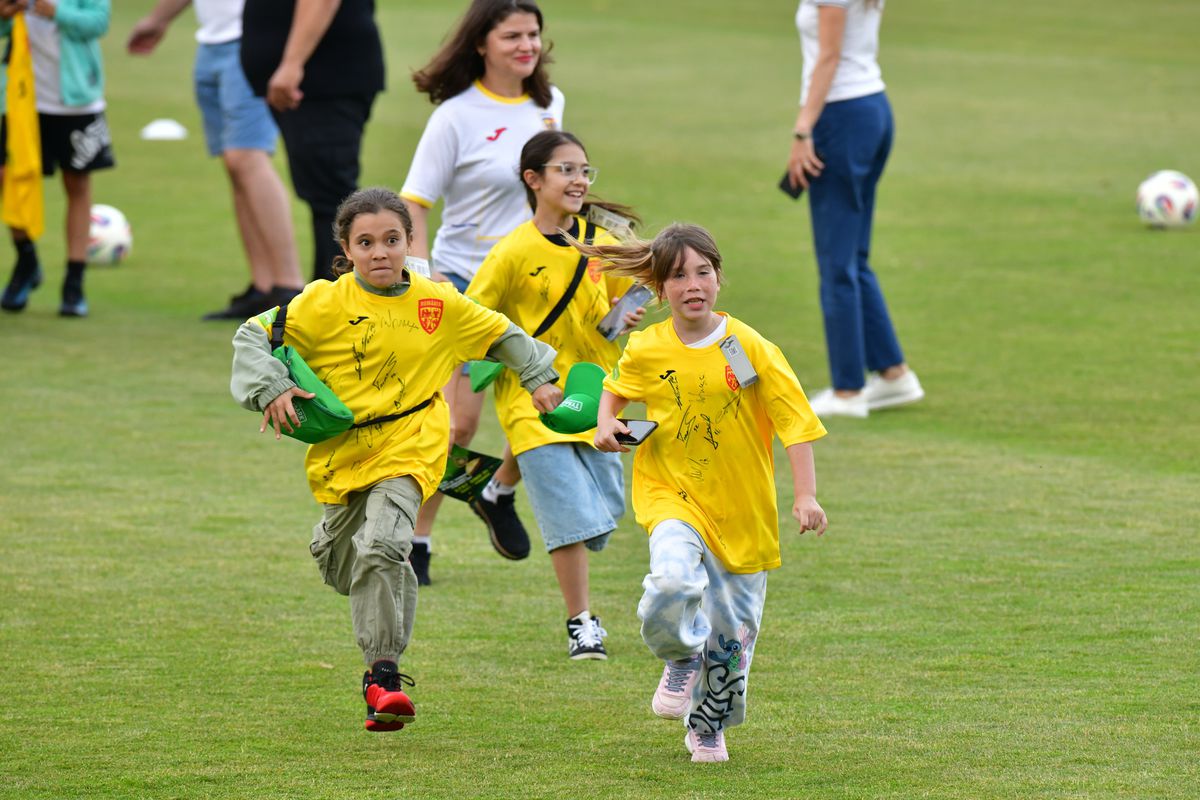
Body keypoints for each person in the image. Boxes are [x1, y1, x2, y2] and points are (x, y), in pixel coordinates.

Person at [230, 186, 562, 732]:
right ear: (346, 249)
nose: (380, 252)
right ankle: (385, 567)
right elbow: (252, 335)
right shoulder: (322, 302)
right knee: (344, 564)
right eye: (365, 243)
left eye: (391, 239)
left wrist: (539, 378)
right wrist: (273, 387)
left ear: (409, 242)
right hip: (343, 452)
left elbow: (501, 333)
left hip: (414, 443)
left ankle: (382, 678)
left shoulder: (438, 303)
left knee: (382, 545)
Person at [587, 223, 829, 762]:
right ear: (659, 287)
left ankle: (707, 725)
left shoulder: (746, 348)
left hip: (742, 512)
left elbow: (794, 422)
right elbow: (616, 389)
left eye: (703, 272)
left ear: (719, 277)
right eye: (678, 276)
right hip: (672, 496)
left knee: (731, 639)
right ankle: (679, 654)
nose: (692, 284)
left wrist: (806, 496)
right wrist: (606, 424)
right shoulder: (647, 346)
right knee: (671, 581)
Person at [400, 0, 565, 584]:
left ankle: (497, 490)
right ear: (481, 44)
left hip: (531, 282)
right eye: (512, 36)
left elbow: (558, 187)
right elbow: (415, 202)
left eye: (533, 34)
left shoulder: (550, 105)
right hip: (466, 284)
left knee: (553, 402)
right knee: (456, 428)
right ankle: (417, 543)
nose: (527, 45)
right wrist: (425, 275)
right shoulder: (455, 116)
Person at [467, 130, 645, 660]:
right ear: (533, 179)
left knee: (604, 514)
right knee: (569, 514)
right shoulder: (511, 252)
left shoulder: (605, 243)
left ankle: (496, 489)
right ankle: (581, 624)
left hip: (594, 392)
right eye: (566, 169)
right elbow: (476, 321)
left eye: (585, 170)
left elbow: (622, 304)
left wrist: (625, 316)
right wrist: (526, 373)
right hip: (531, 397)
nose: (579, 180)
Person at [786, 0, 923, 418]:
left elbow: (829, 56)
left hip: (841, 116)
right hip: (871, 109)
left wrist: (803, 129)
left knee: (837, 262)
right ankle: (894, 374)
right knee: (852, 258)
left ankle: (848, 391)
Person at [127, 0, 305, 320]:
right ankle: (263, 287)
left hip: (252, 37)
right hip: (211, 41)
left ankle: (289, 286)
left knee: (246, 157)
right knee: (234, 164)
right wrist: (158, 19)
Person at [239, 0, 384, 284]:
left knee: (332, 197)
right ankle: (328, 295)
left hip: (324, 78)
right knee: (324, 196)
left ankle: (339, 298)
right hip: (309, 81)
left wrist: (292, 64)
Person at [0, 0, 112, 318]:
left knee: (76, 183)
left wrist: (55, 12)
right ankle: (26, 260)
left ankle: (74, 280)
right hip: (21, 98)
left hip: (75, 100)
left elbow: (98, 22)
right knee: (9, 179)